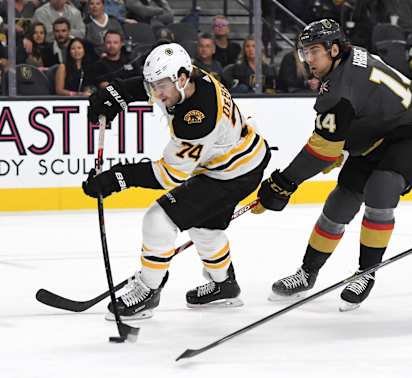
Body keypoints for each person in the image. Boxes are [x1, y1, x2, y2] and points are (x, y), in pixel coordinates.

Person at [252, 19, 412, 311]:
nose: (309, 59)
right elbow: (358, 115)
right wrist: (343, 144)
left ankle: (366, 272)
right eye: (305, 52)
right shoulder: (350, 60)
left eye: (315, 51)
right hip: (380, 133)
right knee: (340, 201)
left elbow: (322, 152)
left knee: (382, 188)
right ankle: (307, 272)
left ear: (335, 49)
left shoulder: (339, 89)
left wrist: (284, 182)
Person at [83, 43, 271, 319]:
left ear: (182, 79)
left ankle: (148, 290)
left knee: (158, 220)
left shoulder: (196, 120)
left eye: (161, 86)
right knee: (204, 228)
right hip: (241, 161)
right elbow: (151, 85)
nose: (157, 94)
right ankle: (225, 286)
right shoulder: (190, 79)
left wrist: (116, 178)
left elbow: (170, 174)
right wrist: (118, 92)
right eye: (153, 85)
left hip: (229, 174)